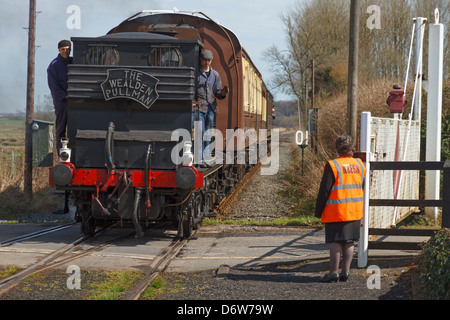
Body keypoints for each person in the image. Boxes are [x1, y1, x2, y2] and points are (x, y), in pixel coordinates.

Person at [315, 135, 366, 283]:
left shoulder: (333, 165)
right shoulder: (360, 165)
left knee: (335, 241)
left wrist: (318, 211)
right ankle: (345, 272)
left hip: (336, 210)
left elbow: (324, 191)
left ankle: (332, 273)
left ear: (337, 148)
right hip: (354, 210)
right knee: (349, 241)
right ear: (351, 149)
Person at [194, 49, 228, 166]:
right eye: (205, 60)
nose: (207, 62)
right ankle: (199, 159)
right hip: (198, 108)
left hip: (211, 108)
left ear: (211, 61)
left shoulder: (215, 75)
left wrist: (222, 93)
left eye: (208, 60)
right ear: (201, 60)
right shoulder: (196, 74)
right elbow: (191, 89)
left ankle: (206, 157)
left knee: (208, 133)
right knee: (200, 132)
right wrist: (194, 101)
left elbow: (217, 91)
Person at [47, 40, 73, 155]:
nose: (65, 51)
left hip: (75, 101)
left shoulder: (73, 62)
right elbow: (53, 87)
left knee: (74, 127)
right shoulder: (54, 65)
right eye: (63, 49)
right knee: (61, 128)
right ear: (59, 50)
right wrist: (65, 96)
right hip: (61, 101)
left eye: (67, 49)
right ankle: (60, 154)